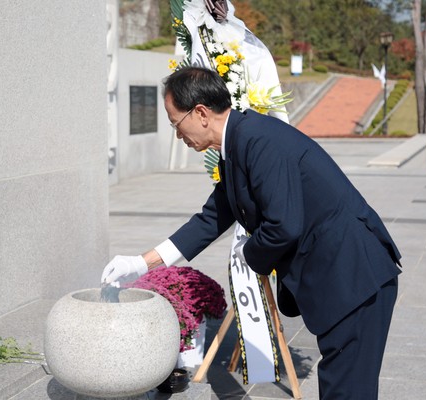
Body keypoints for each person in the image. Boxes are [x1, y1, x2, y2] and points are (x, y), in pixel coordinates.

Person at [101, 66, 402, 399]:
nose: (178, 135)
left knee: (347, 390)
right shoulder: (239, 144)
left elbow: (283, 225)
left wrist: (249, 255)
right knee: (342, 386)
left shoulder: (259, 140)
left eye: (176, 124)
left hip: (353, 276)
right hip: (342, 277)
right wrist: (141, 264)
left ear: (200, 113)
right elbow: (211, 218)